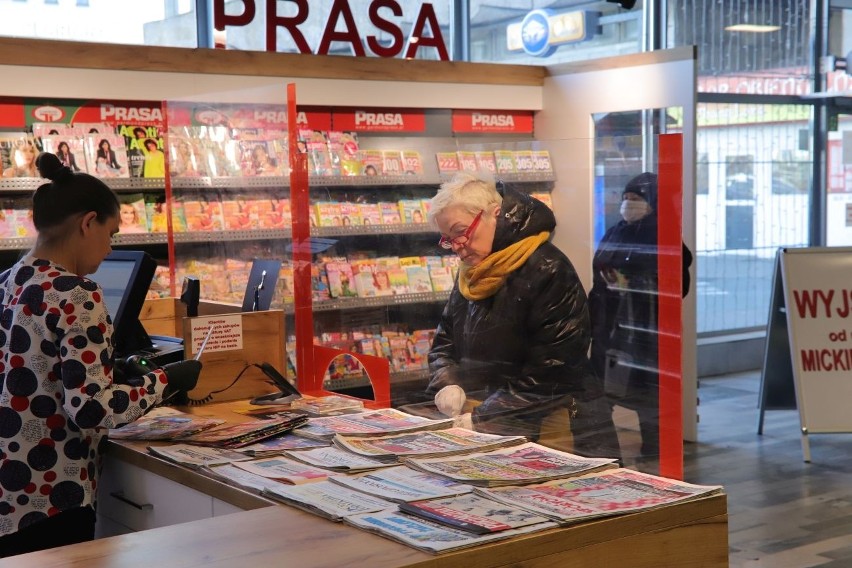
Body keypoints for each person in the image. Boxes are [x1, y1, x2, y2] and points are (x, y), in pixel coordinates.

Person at [0, 153, 200, 557]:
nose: (110, 249)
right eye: (111, 234)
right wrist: (166, 381)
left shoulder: (11, 279)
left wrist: (115, 369)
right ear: (87, 222)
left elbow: (36, 368)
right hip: (54, 495)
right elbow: (91, 410)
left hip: (10, 495)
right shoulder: (78, 293)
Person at [427, 172, 621, 458]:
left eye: (461, 231)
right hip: (491, 420)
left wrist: (484, 418)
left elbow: (554, 368)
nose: (457, 246)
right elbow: (445, 340)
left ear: (496, 214)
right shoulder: (473, 272)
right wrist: (447, 382)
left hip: (552, 426)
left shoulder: (547, 268)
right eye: (448, 238)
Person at [588, 172, 693, 460]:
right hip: (610, 327)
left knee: (647, 398)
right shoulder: (616, 231)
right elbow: (599, 271)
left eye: (636, 199)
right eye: (625, 199)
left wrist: (634, 283)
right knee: (603, 393)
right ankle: (606, 452)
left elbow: (676, 285)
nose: (628, 204)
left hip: (646, 330)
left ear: (652, 203)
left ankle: (656, 453)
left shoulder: (664, 236)